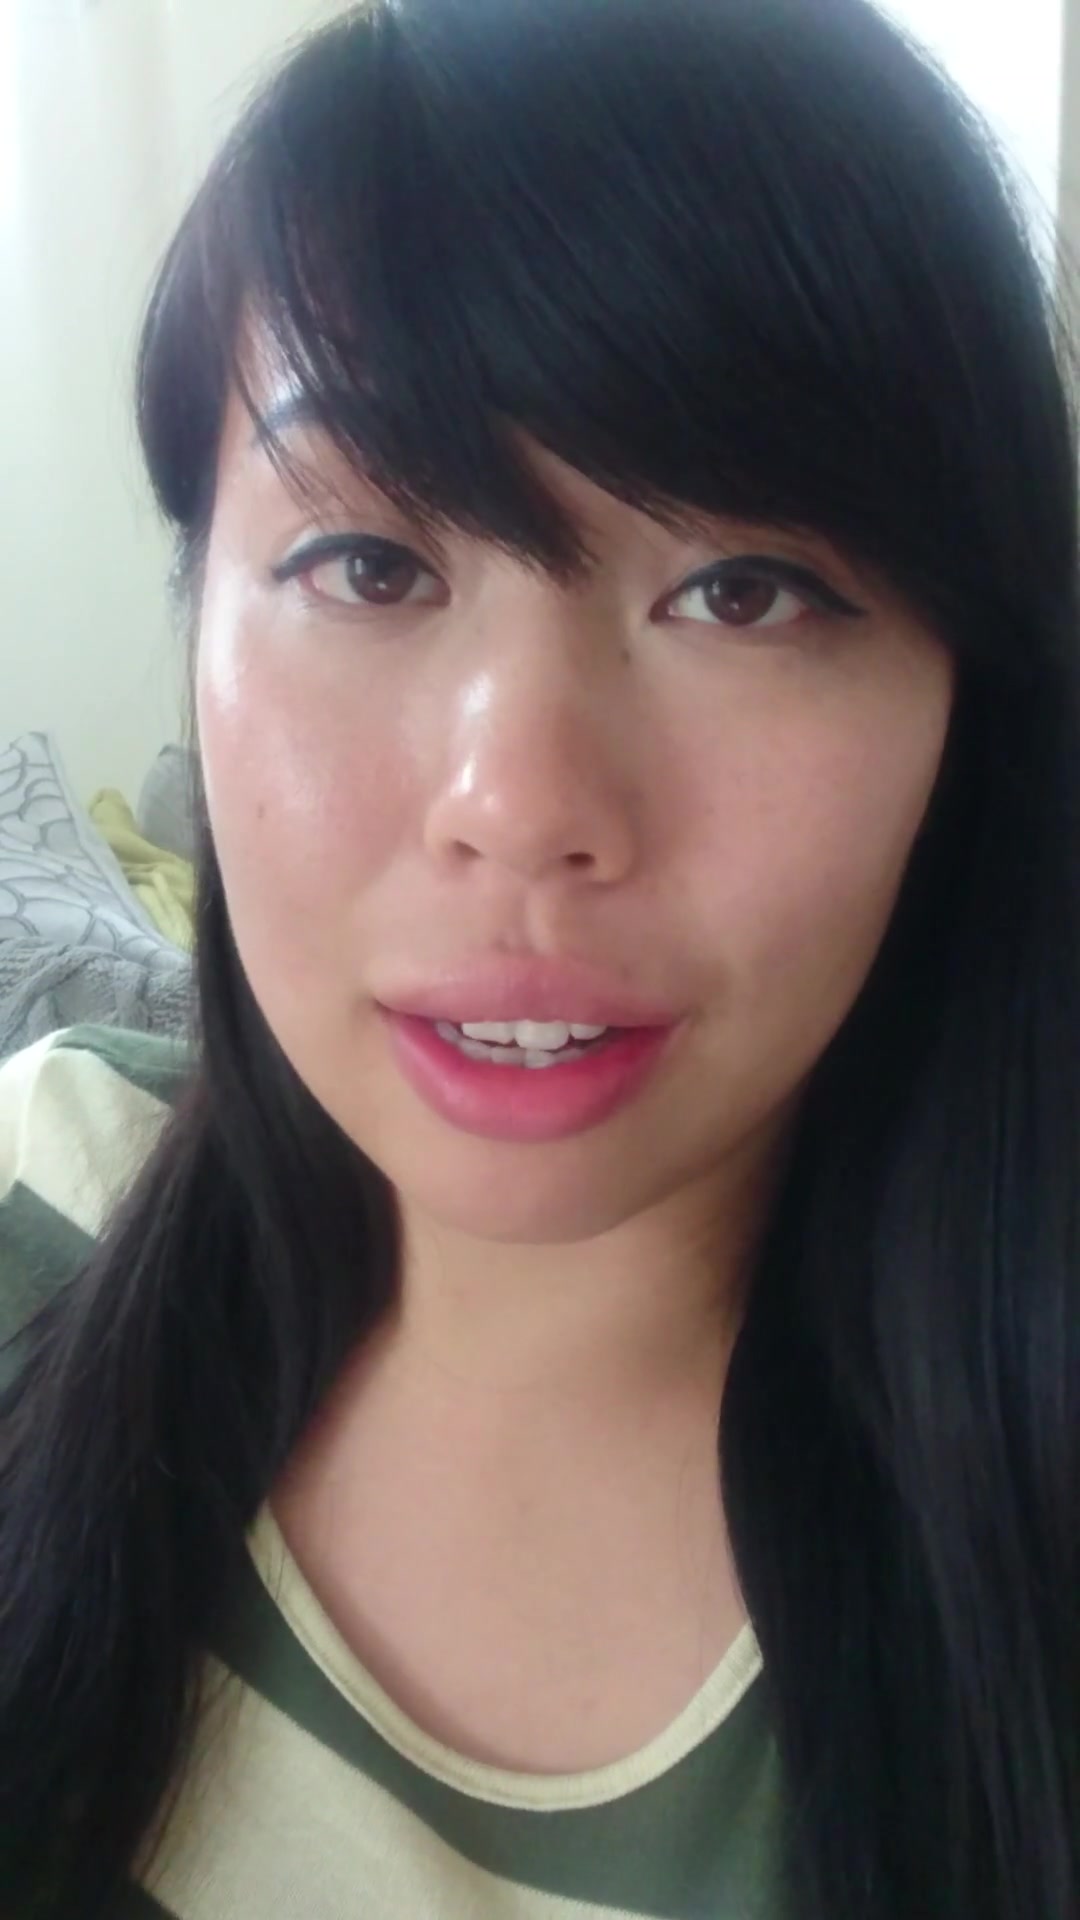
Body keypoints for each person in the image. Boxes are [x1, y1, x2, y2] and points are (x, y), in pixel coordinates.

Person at [2, 0, 1078, 1913]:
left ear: (965, 709)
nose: (520, 804)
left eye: (745, 589)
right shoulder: (40, 1202)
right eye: (369, 566)